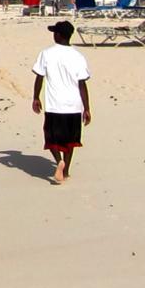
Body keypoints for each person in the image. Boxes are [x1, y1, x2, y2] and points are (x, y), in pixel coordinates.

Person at [31, 21, 91, 185]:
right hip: (74, 105)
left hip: (54, 104)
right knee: (70, 140)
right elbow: (82, 84)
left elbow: (39, 77)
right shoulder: (78, 56)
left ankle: (59, 161)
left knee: (51, 139)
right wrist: (87, 108)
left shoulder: (46, 53)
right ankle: (66, 170)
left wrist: (36, 97)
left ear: (58, 35)